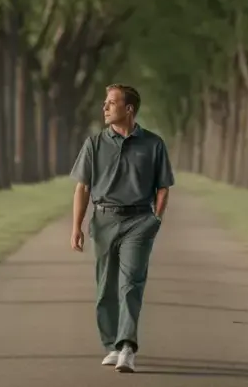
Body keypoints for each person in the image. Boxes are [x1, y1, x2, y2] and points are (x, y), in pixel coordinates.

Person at [69, 83, 175, 374]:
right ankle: (112, 345)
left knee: (131, 285)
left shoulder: (153, 144)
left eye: (111, 103)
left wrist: (156, 220)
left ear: (129, 109)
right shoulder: (94, 144)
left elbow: (163, 187)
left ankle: (127, 346)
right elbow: (83, 187)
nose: (104, 107)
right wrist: (76, 226)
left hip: (140, 221)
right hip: (103, 221)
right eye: (105, 102)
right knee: (105, 289)